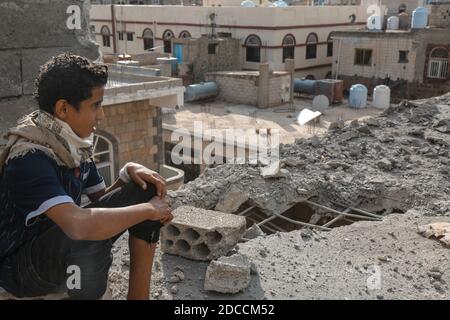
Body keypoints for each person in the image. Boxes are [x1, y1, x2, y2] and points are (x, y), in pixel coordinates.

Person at [0, 53, 173, 300]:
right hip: (21, 269)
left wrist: (127, 176)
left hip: (56, 244)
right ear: (63, 109)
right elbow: (79, 225)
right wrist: (149, 211)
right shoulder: (30, 157)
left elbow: (102, 201)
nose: (101, 115)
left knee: (143, 188)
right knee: (86, 239)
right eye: (96, 105)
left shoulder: (70, 144)